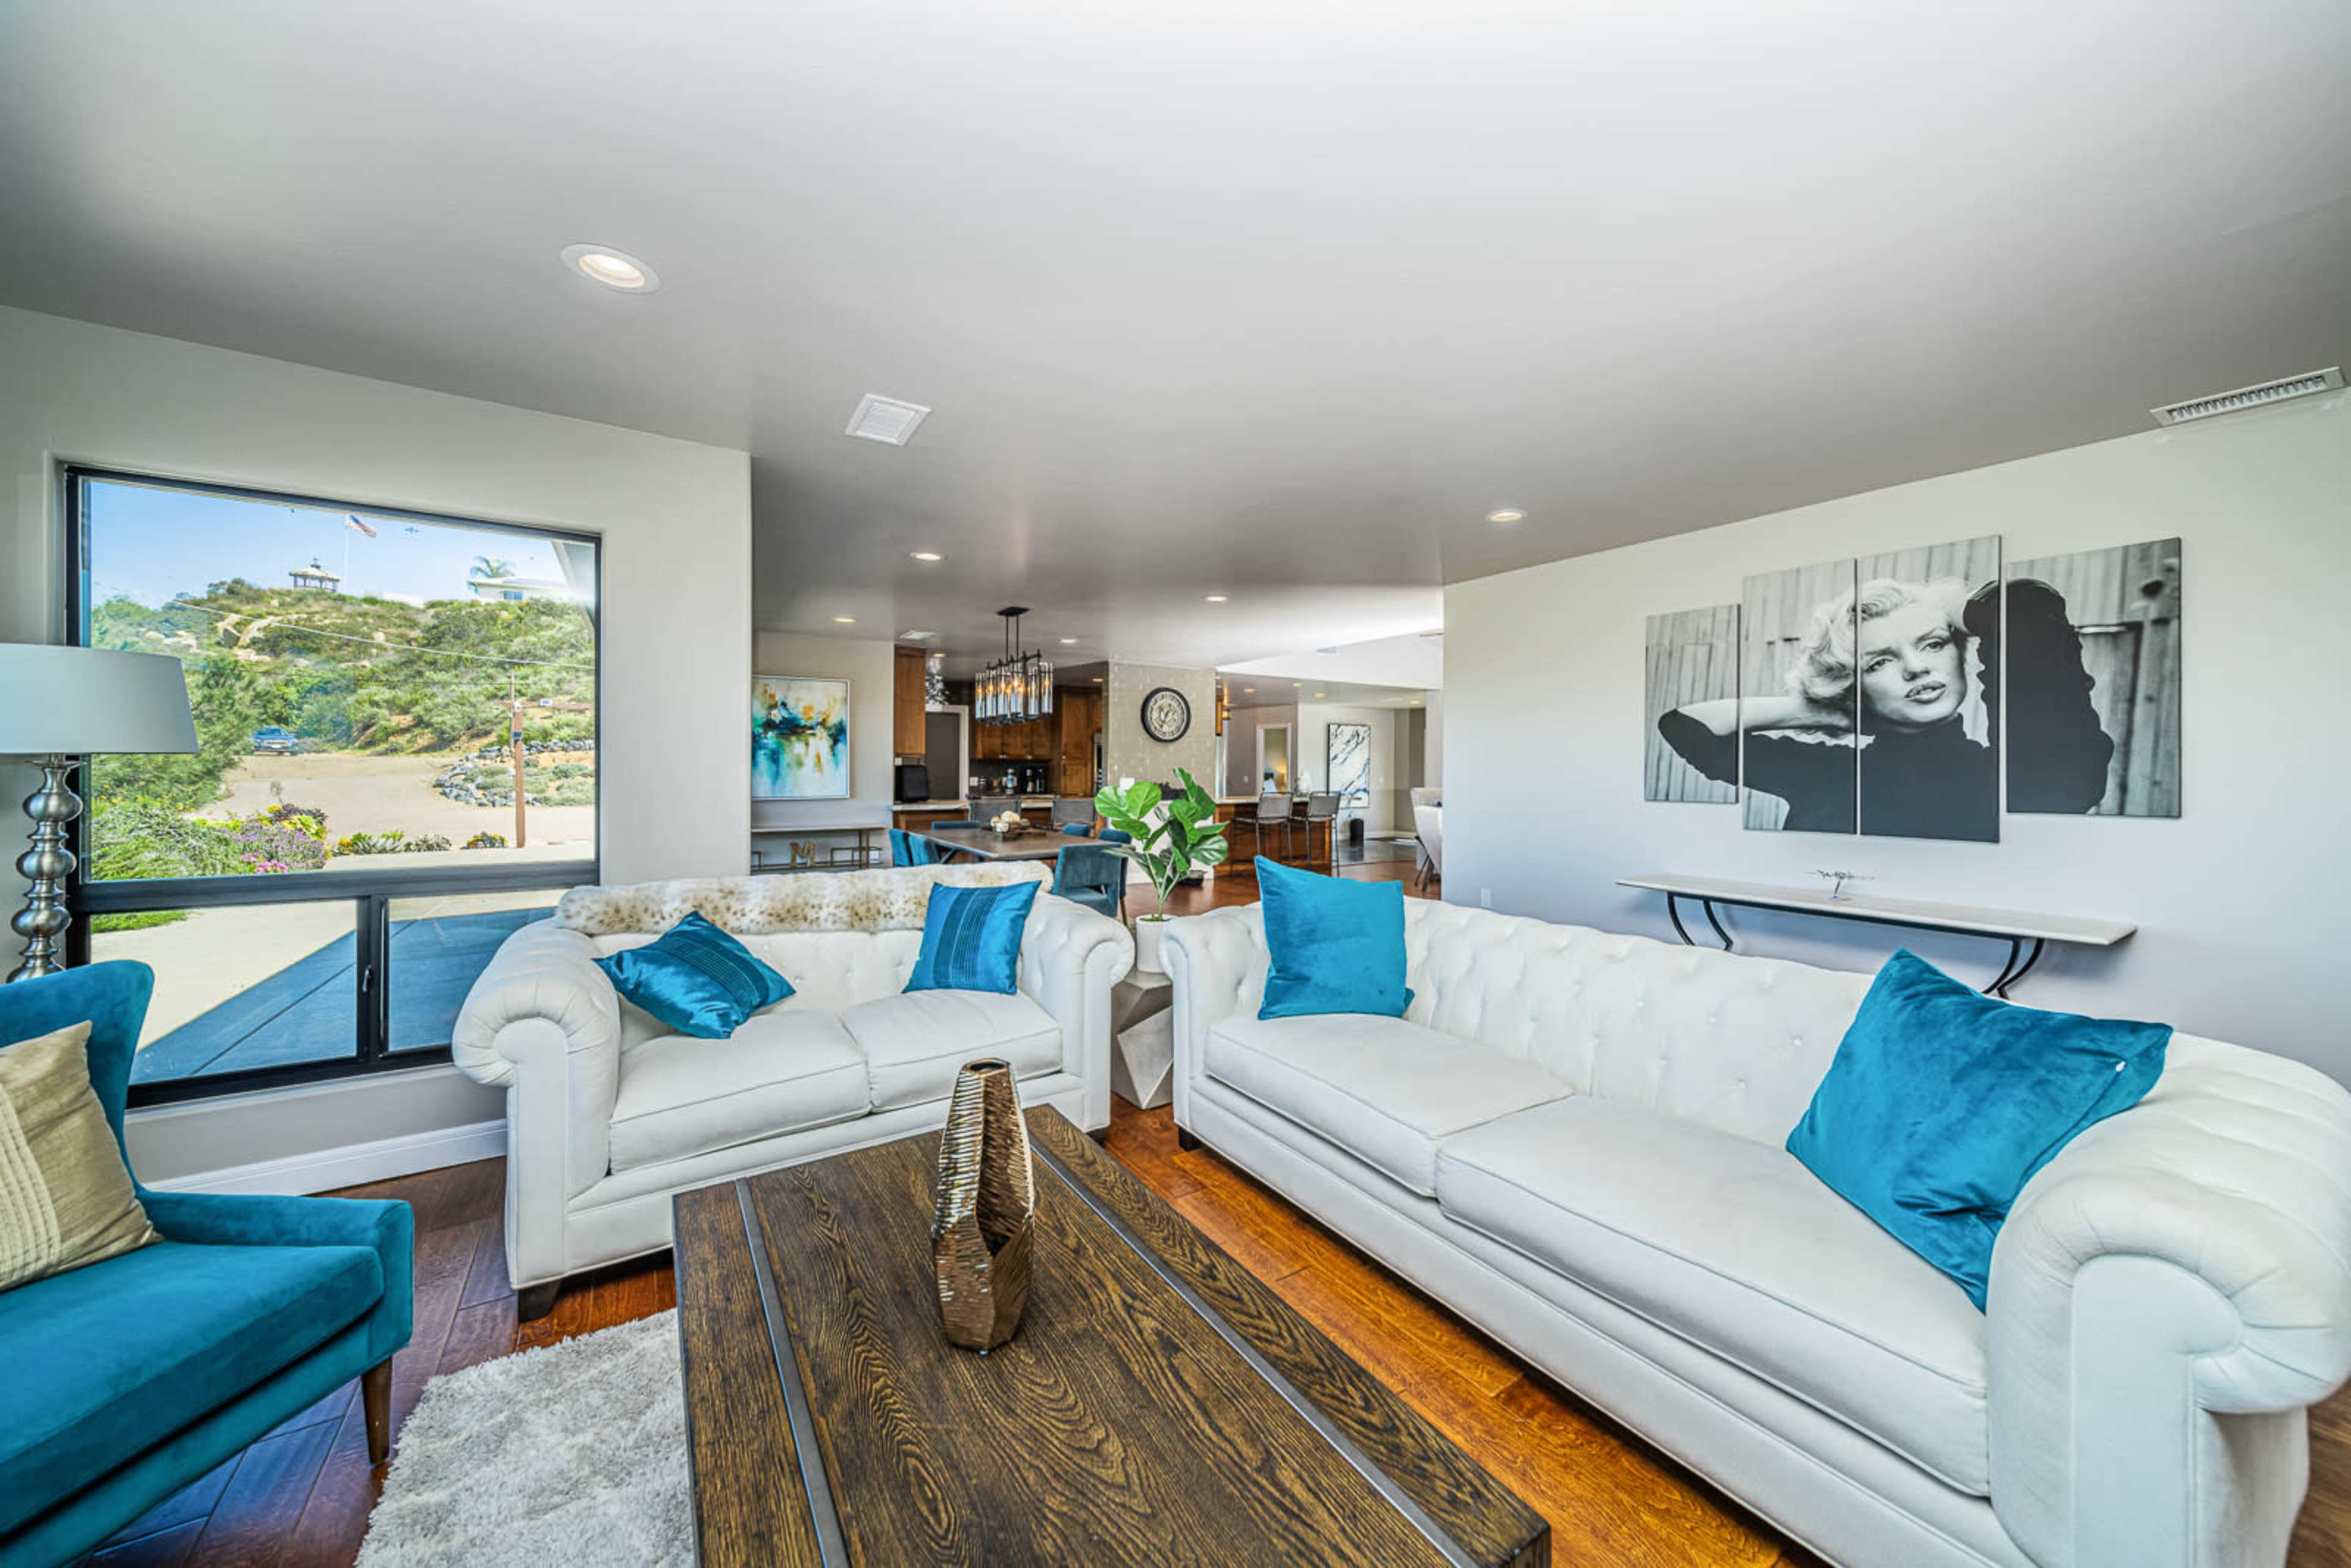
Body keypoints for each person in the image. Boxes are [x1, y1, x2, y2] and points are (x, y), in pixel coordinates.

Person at [1660, 577, 1999, 839]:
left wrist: (1958, 611)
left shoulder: (2003, 773)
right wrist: (1833, 710)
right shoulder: (1826, 772)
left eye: (1933, 644)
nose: (1916, 668)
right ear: (1852, 684)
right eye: (1879, 663)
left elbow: (2026, 605)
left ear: (1960, 652)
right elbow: (1685, 726)